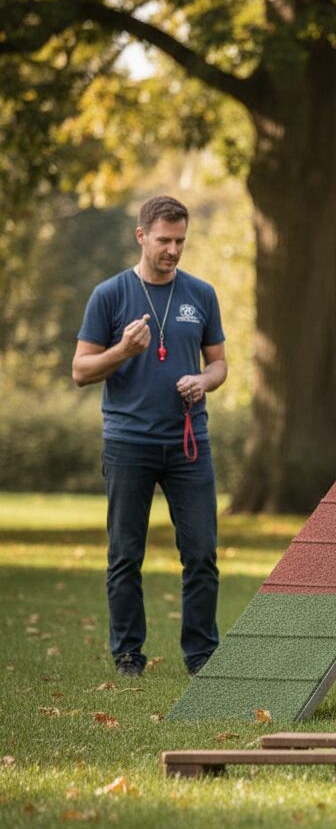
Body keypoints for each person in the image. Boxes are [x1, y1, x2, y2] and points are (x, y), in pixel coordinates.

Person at [72, 195, 227, 677]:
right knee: (125, 556)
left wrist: (203, 381)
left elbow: (218, 363)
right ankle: (128, 654)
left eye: (180, 240)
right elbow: (80, 370)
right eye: (164, 240)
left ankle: (201, 654)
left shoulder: (201, 294)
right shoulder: (110, 295)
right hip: (128, 444)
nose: (174, 250)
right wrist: (121, 350)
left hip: (188, 444)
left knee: (201, 553)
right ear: (141, 236)